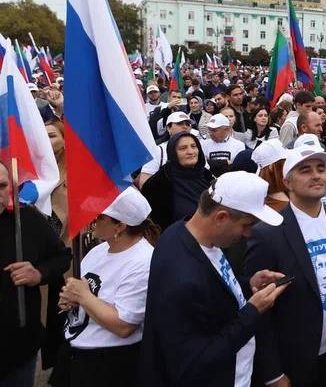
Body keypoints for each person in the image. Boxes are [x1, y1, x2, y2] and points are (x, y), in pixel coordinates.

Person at [141, 171, 287, 386]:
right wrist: (252, 313)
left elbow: (213, 291)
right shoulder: (183, 278)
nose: (248, 234)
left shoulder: (184, 233)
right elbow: (194, 362)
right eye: (247, 224)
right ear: (221, 217)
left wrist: (248, 284)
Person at [246, 144, 326, 386]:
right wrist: (272, 372)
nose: (316, 175)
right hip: (294, 362)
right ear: (287, 182)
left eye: (320, 168)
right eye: (305, 170)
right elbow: (260, 312)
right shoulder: (268, 233)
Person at [54, 188, 157, 387]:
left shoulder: (143, 262)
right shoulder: (98, 251)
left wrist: (83, 296)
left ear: (120, 226)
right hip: (74, 353)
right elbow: (85, 293)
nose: (92, 218)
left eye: (100, 215)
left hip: (107, 364)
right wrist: (70, 299)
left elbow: (124, 326)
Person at [1, 161, 72, 386]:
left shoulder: (26, 219)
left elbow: (62, 257)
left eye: (2, 186)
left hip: (19, 346)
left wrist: (39, 273)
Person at [141, 132, 215, 230]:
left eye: (193, 146)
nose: (190, 151)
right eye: (183, 148)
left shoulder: (207, 176)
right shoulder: (159, 182)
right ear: (172, 152)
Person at [136, 111, 197, 188]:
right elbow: (144, 183)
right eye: (179, 123)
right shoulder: (158, 151)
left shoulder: (197, 149)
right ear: (168, 128)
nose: (185, 127)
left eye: (188, 124)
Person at [251, 139, 289, 211]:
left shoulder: (256, 198)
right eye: (286, 161)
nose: (290, 164)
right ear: (271, 167)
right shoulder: (283, 205)